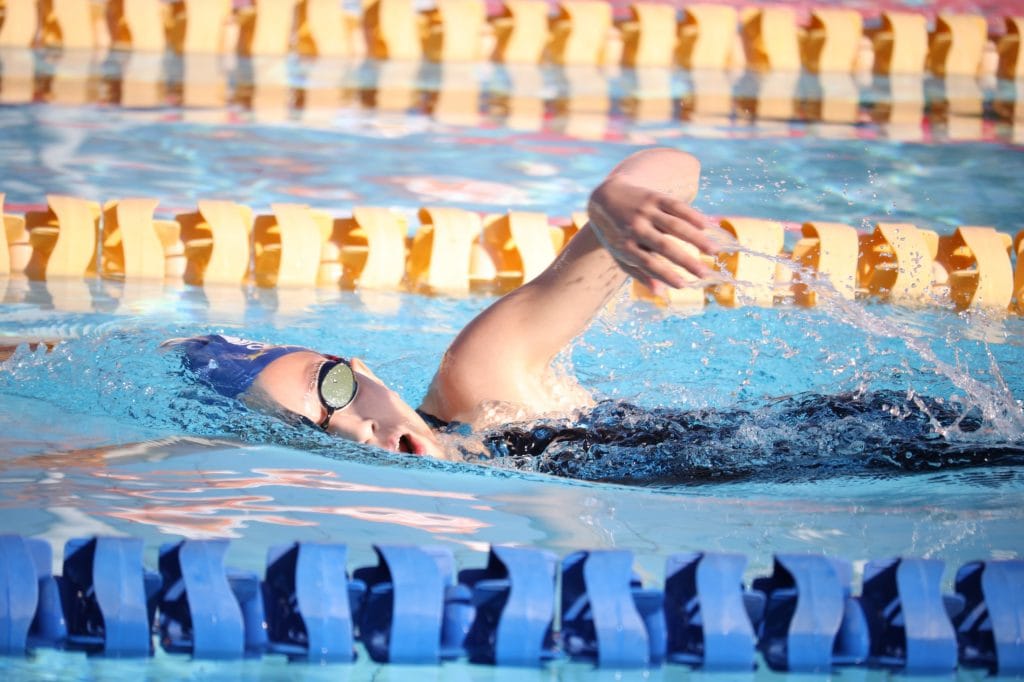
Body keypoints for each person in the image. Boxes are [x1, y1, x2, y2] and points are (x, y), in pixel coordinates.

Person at [169, 148, 723, 460]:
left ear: (365, 371)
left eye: (332, 387)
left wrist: (611, 199)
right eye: (309, 431)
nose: (355, 428)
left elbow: (679, 169)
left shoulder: (484, 385)